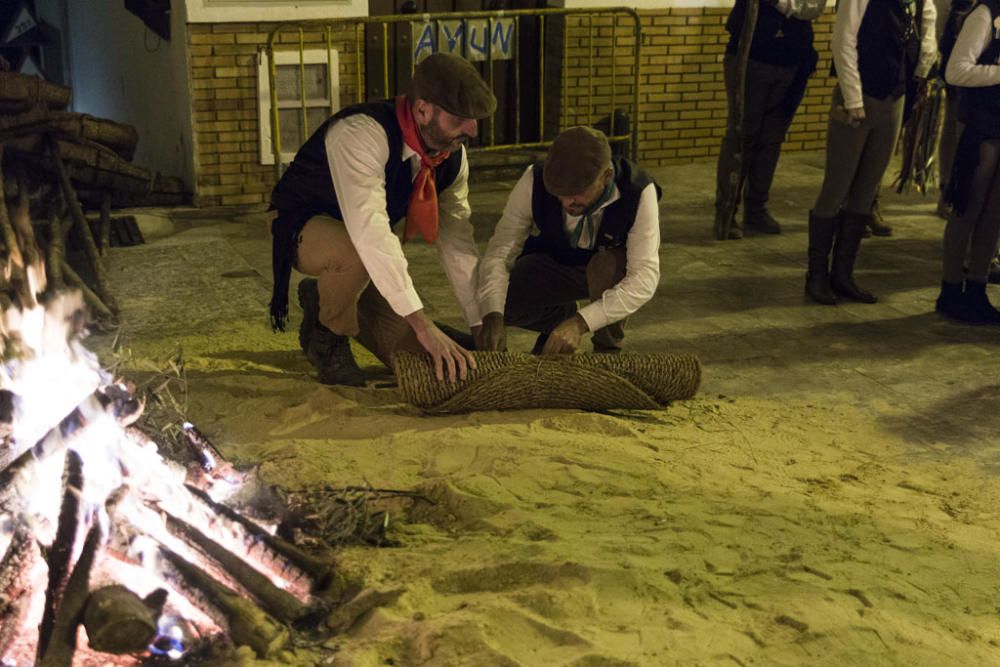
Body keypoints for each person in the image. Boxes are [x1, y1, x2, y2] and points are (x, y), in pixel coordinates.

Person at [267, 53, 497, 385]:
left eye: (474, 119)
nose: (472, 131)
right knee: (356, 255)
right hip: (300, 222)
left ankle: (324, 297)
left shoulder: (452, 156)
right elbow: (371, 232)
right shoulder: (361, 133)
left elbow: (457, 241)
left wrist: (478, 323)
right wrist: (423, 324)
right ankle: (325, 338)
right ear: (422, 110)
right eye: (460, 118)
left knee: (417, 358)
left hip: (358, 242)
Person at [476, 127, 661, 355]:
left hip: (606, 274)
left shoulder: (638, 191)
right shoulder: (533, 179)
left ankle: (606, 351)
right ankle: (557, 319)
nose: (566, 202)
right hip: (556, 264)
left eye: (577, 193)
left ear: (606, 177)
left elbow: (644, 277)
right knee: (494, 294)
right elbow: (500, 252)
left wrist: (581, 322)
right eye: (559, 193)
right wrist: (493, 314)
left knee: (605, 267)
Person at [805, 0, 937, 305]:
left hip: (895, 94)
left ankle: (843, 274)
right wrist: (852, 98)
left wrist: (919, 71)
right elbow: (844, 39)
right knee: (836, 188)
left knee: (866, 189)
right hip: (861, 93)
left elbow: (926, 23)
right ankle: (816, 275)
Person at [713, 0, 827, 240]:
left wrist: (784, 5)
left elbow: (814, 8)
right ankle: (727, 210)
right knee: (742, 135)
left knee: (771, 139)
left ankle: (756, 208)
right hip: (752, 56)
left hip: (792, 59)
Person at [935, 0, 1000, 323]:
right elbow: (956, 69)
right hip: (981, 123)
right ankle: (950, 290)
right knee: (968, 209)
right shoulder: (985, 14)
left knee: (993, 215)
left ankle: (977, 288)